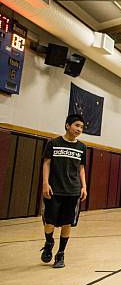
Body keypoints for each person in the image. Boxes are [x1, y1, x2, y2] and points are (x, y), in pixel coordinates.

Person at [40, 114, 88, 269]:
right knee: (50, 222)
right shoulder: (53, 143)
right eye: (77, 125)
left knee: (67, 223)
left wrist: (84, 186)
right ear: (67, 125)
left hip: (72, 190)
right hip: (54, 189)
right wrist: (45, 183)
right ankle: (49, 243)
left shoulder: (82, 147)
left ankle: (60, 254)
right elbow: (46, 163)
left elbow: (81, 168)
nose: (79, 129)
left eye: (81, 127)